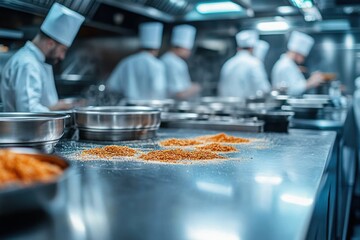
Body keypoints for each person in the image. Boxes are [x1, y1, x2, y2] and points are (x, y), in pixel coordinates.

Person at [1, 3, 85, 112]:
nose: (62, 56)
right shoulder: (27, 64)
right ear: (50, 43)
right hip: (27, 129)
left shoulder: (37, 61)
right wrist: (57, 108)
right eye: (63, 50)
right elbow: (28, 112)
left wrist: (60, 105)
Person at [106, 22, 166, 100]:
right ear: (156, 48)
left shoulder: (127, 61)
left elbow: (112, 86)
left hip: (127, 107)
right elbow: (159, 90)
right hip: (148, 108)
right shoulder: (157, 65)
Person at [218, 30, 271, 99]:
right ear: (252, 48)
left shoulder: (228, 63)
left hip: (228, 107)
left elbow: (221, 88)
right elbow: (264, 89)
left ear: (238, 48)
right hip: (248, 107)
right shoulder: (254, 63)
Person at [271, 31, 324, 96]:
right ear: (297, 53)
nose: (302, 60)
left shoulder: (288, 64)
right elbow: (291, 91)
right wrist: (310, 82)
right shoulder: (286, 66)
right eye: (303, 56)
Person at [161, 24, 201, 100]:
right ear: (180, 47)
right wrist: (195, 88)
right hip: (174, 106)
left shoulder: (165, 58)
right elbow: (179, 94)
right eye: (188, 49)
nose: (189, 52)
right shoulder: (175, 63)